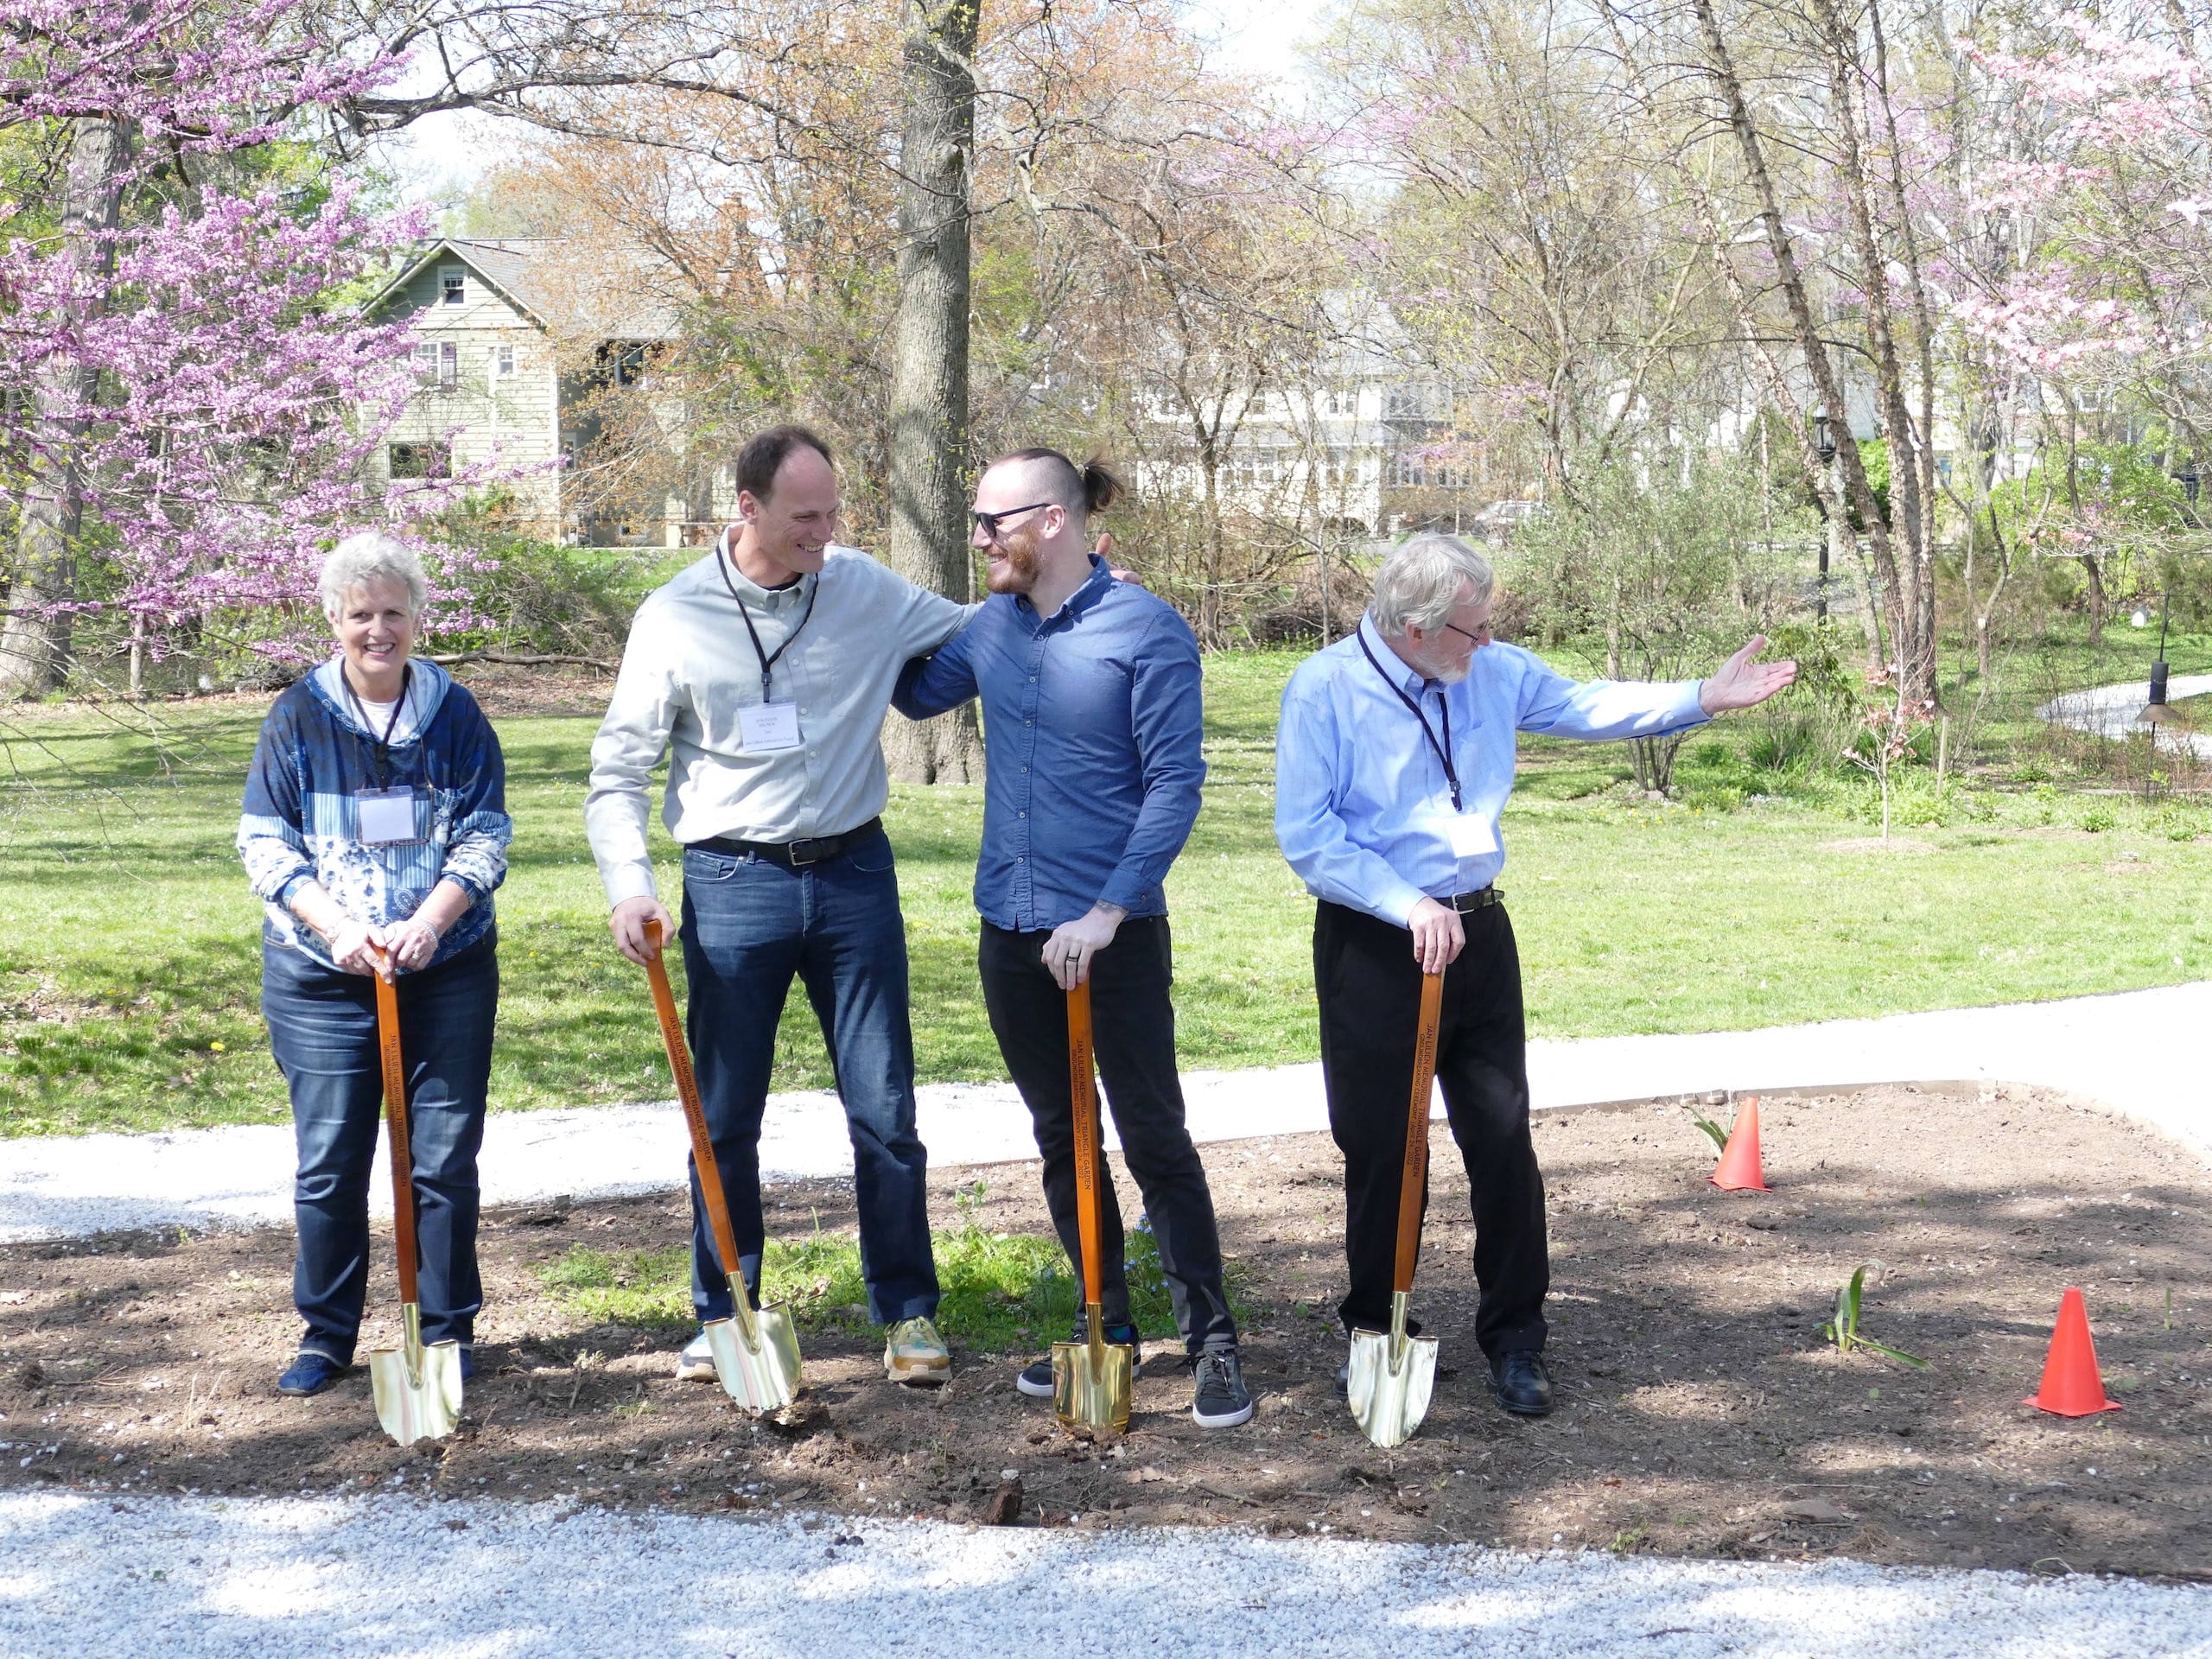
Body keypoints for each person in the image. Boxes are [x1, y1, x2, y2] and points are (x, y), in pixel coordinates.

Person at [1274, 534, 1794, 1416]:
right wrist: (1404, 904)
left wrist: (1702, 698)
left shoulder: (1490, 668)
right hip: (1375, 941)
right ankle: (1372, 1332)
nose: (1489, 648)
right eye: (1473, 632)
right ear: (1413, 626)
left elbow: (1585, 703)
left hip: (1477, 932)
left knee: (1503, 1142)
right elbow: (1310, 835)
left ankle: (1516, 1339)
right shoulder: (1324, 689)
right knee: (1380, 1150)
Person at [586, 424, 969, 1387]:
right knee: (724, 1117)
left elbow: (974, 628)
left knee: (884, 1108)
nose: (826, 532)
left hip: (852, 878)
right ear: (744, 509)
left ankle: (909, 1313)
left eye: (834, 511)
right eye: (806, 516)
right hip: (729, 883)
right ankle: (727, 1309)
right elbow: (617, 771)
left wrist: (1077, 594)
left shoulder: (864, 587)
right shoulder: (673, 617)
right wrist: (629, 885)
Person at [893, 448, 1254, 1429]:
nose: (977, 539)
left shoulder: (1147, 630)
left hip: (1112, 935)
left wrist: (1106, 912)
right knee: (1063, 1138)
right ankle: (1109, 1329)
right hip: (1008, 926)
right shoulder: (990, 630)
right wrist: (831, 595)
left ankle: (1212, 1342)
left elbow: (1175, 783)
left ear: (1051, 520)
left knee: (1152, 1135)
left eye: (989, 523)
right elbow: (913, 693)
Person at [238, 531, 512, 1398]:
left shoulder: (456, 714)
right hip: (323, 975)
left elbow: (486, 834)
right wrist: (336, 930)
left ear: (418, 617)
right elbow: (264, 845)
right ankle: (326, 1335)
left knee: (440, 1158)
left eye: (394, 612)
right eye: (362, 615)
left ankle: (445, 1328)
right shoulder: (296, 718)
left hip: (446, 968)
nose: (379, 630)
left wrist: (430, 923)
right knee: (330, 1159)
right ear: (333, 619)